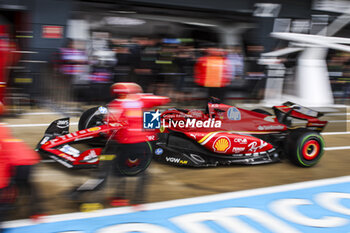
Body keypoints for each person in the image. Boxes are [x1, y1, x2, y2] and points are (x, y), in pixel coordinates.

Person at [69, 82, 170, 208]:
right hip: (146, 145)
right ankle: (139, 201)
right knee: (142, 172)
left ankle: (112, 198)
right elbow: (162, 102)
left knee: (113, 172)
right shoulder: (144, 101)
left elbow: (110, 129)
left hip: (124, 144)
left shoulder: (116, 105)